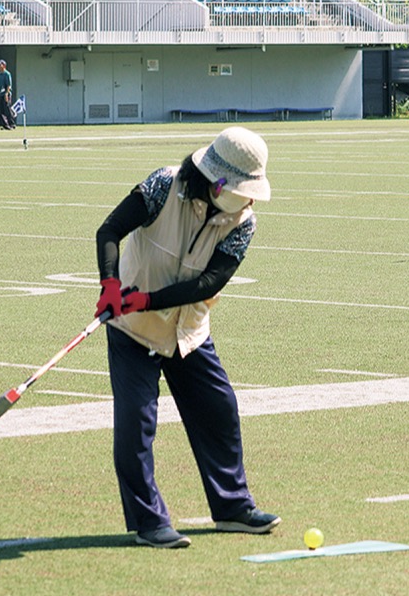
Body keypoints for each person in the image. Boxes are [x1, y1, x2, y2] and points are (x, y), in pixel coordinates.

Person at [94, 126, 279, 549]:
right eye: (244, 190)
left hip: (188, 332)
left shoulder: (244, 221)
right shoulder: (164, 186)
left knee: (219, 409)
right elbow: (109, 231)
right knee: (137, 424)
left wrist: (147, 299)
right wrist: (110, 284)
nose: (250, 200)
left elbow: (208, 284)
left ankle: (233, 508)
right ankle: (149, 522)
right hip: (133, 331)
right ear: (217, 183)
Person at [0, 59, 15, 130]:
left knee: (7, 109)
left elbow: (9, 85)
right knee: (1, 110)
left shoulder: (7, 74)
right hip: (0, 94)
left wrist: (6, 94)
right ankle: (5, 124)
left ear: (4, 65)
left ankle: (11, 123)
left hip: (6, 94)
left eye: (0, 65)